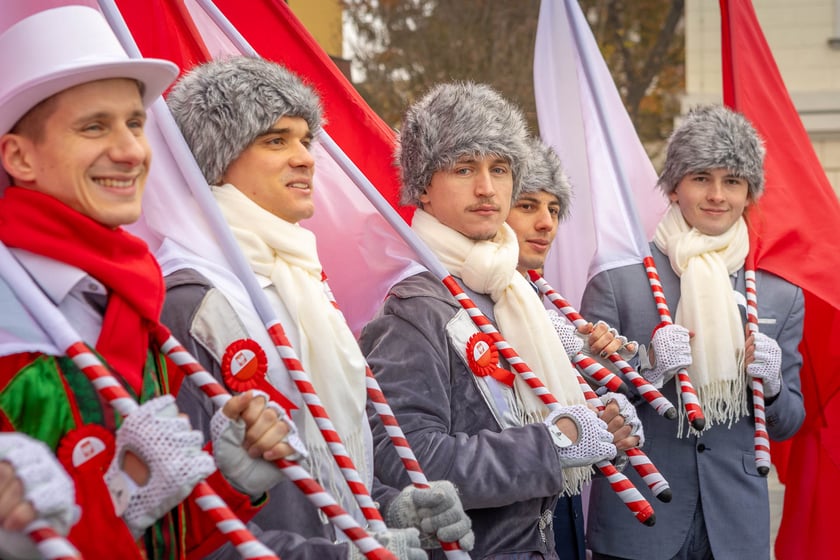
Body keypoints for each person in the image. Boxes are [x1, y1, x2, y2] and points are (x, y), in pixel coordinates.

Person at [0, 7, 293, 559]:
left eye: (135, 123)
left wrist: (233, 484)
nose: (133, 150)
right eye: (94, 126)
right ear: (19, 156)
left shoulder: (131, 300)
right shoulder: (11, 322)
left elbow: (162, 542)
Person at [164, 56, 470, 559]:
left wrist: (391, 510)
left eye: (306, 139)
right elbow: (190, 521)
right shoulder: (192, 297)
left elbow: (328, 460)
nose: (306, 157)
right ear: (216, 157)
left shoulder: (304, 275)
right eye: (276, 140)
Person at [360, 82, 640, 560]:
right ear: (423, 187)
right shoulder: (415, 304)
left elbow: (542, 424)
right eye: (464, 168)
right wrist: (552, 444)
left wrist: (598, 425)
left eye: (500, 169)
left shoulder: (509, 290)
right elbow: (408, 461)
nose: (487, 188)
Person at [580, 105, 805, 560]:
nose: (717, 195)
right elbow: (582, 398)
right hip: (641, 520)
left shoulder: (780, 294)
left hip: (735, 526)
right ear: (674, 186)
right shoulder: (620, 278)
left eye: (733, 181)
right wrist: (648, 368)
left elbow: (787, 424)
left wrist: (775, 385)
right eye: (701, 177)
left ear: (749, 194)